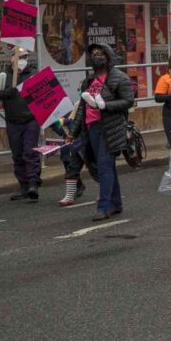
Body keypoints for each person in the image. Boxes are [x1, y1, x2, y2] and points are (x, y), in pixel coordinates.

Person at [69, 43, 135, 221]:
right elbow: (82, 107)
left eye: (101, 53)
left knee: (105, 166)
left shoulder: (119, 78)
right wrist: (72, 132)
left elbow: (129, 101)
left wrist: (106, 106)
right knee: (107, 167)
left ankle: (104, 207)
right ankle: (116, 204)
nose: (97, 56)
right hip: (91, 128)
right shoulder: (89, 81)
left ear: (108, 56)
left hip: (110, 128)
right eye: (94, 54)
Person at [0, 49, 42, 202]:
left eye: (25, 57)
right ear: (12, 58)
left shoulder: (34, 73)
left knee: (30, 152)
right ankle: (24, 186)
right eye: (20, 57)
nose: (23, 59)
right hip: (13, 121)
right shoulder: (3, 76)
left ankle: (33, 184)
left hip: (30, 120)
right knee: (18, 155)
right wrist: (7, 93)